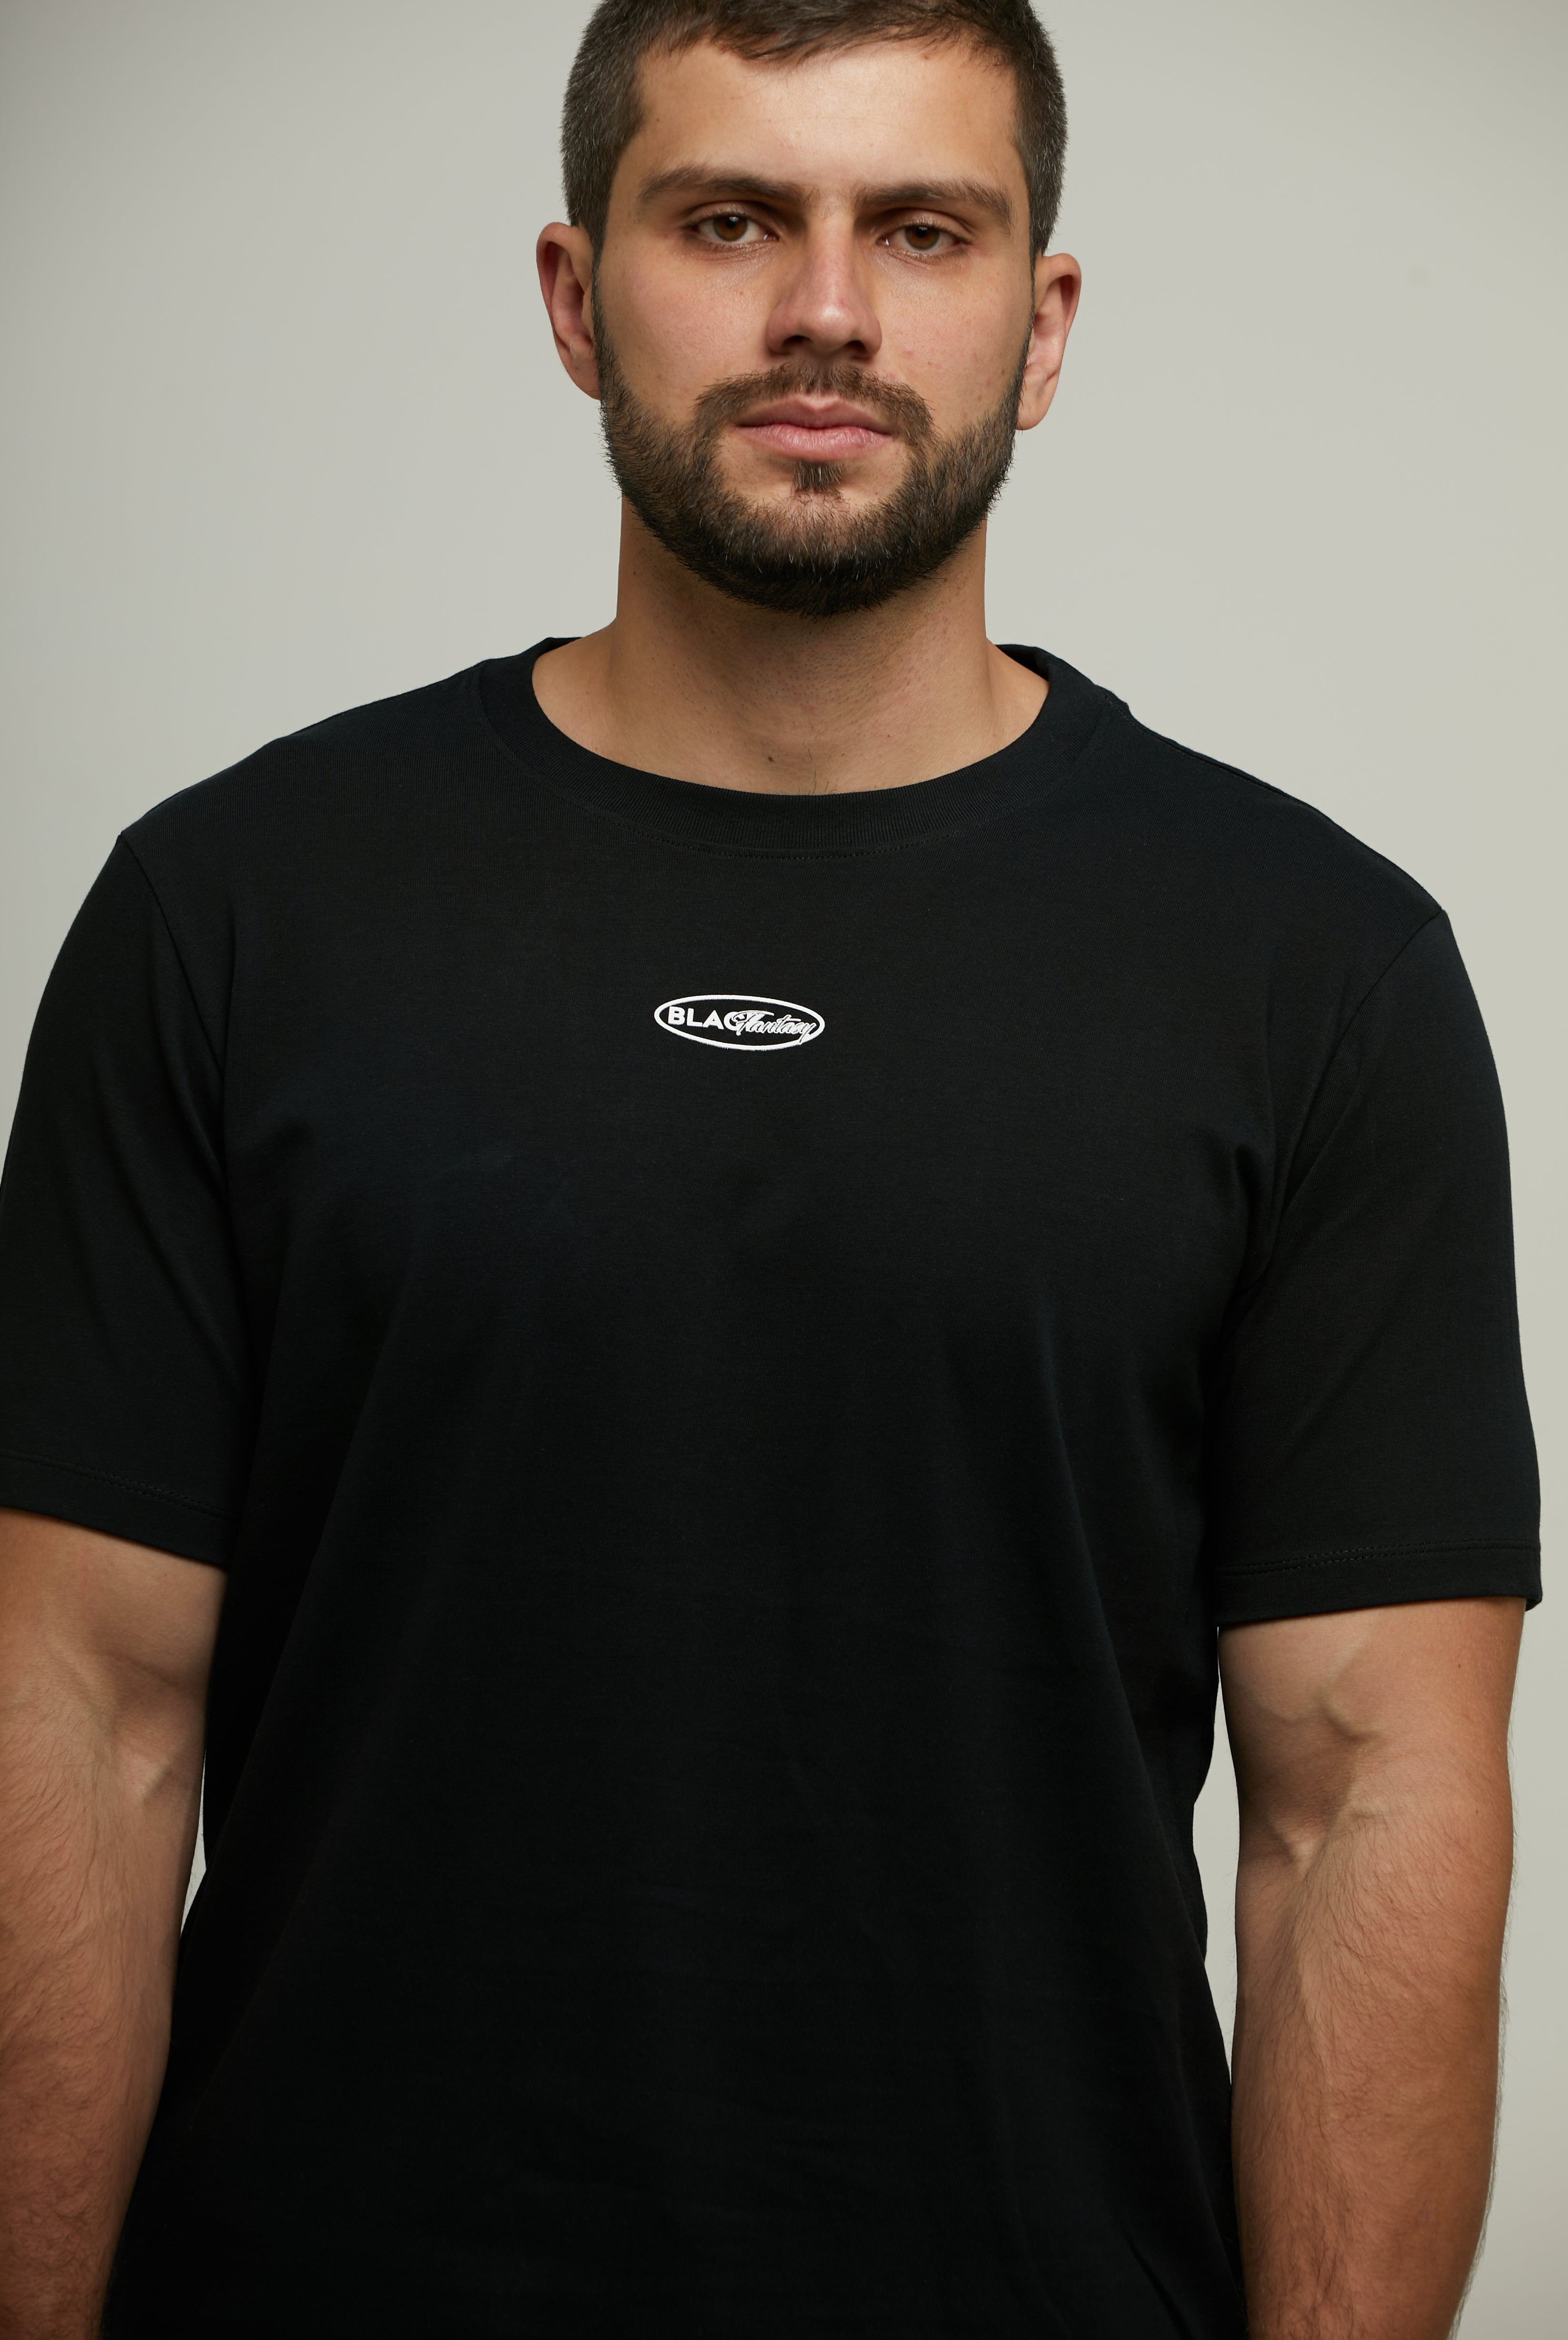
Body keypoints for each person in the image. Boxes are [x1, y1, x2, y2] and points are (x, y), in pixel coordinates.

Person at [0, 1, 1540, 2334]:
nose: (825, 308)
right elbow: (78, 1723)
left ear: (1040, 323)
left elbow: (1362, 1801)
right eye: (728, 221)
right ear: (573, 293)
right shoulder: (230, 915)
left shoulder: (1313, 970)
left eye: (920, 230)